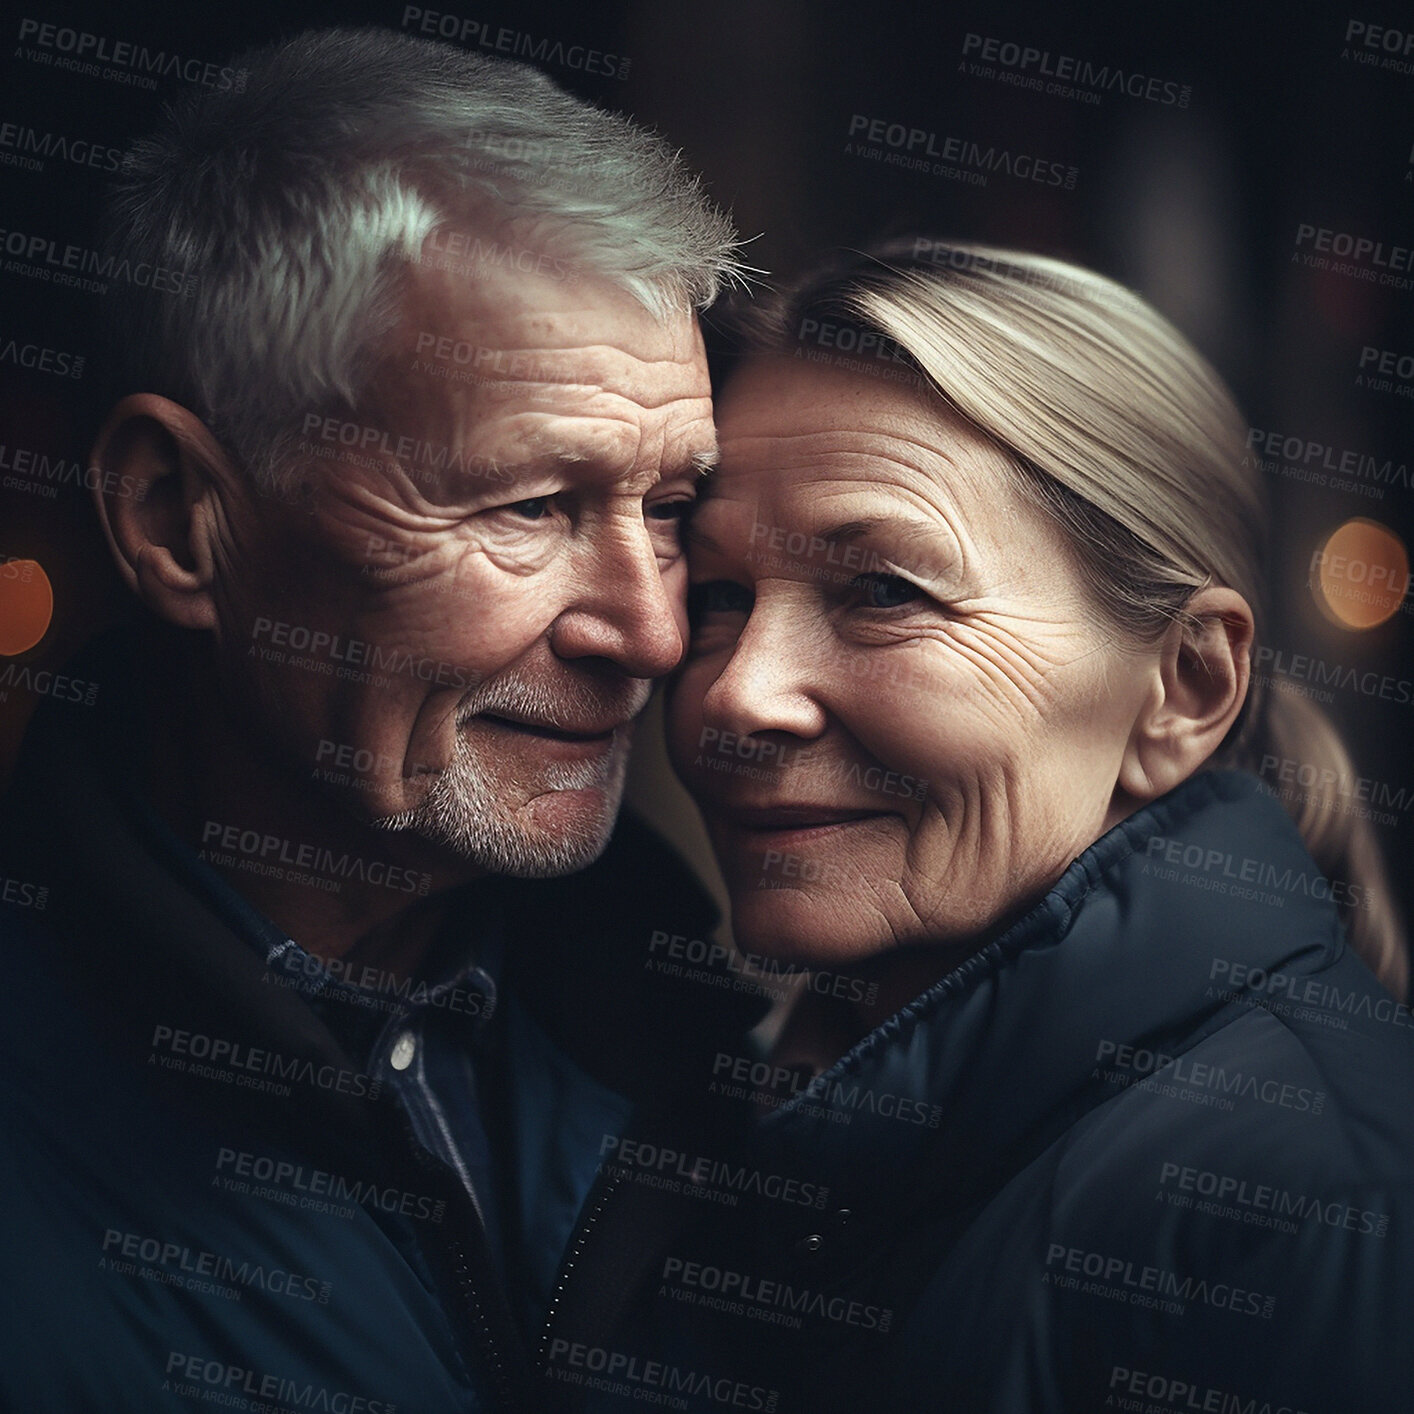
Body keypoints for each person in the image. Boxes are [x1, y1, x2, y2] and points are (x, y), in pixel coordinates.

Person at [0, 27, 765, 1413]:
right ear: (179, 518)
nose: (651, 631)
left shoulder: (708, 1056)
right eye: (530, 506)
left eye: (666, 511)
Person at [632, 241, 1412, 1412]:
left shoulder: (1307, 1213)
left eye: (883, 590)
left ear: (1186, 685)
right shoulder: (770, 1135)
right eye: (717, 597)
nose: (740, 693)